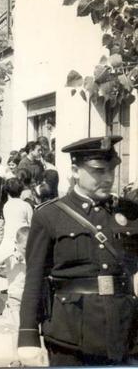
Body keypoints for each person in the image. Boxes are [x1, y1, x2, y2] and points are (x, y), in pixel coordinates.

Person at [18, 135, 138, 366]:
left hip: (125, 330)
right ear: (75, 171)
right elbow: (34, 280)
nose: (108, 178)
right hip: (69, 334)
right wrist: (28, 337)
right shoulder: (49, 215)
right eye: (99, 171)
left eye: (111, 170)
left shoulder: (129, 213)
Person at [0, 177, 33, 366]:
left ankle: (10, 294)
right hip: (25, 240)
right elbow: (32, 222)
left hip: (12, 243)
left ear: (8, 192)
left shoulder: (7, 205)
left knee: (13, 279)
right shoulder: (26, 205)